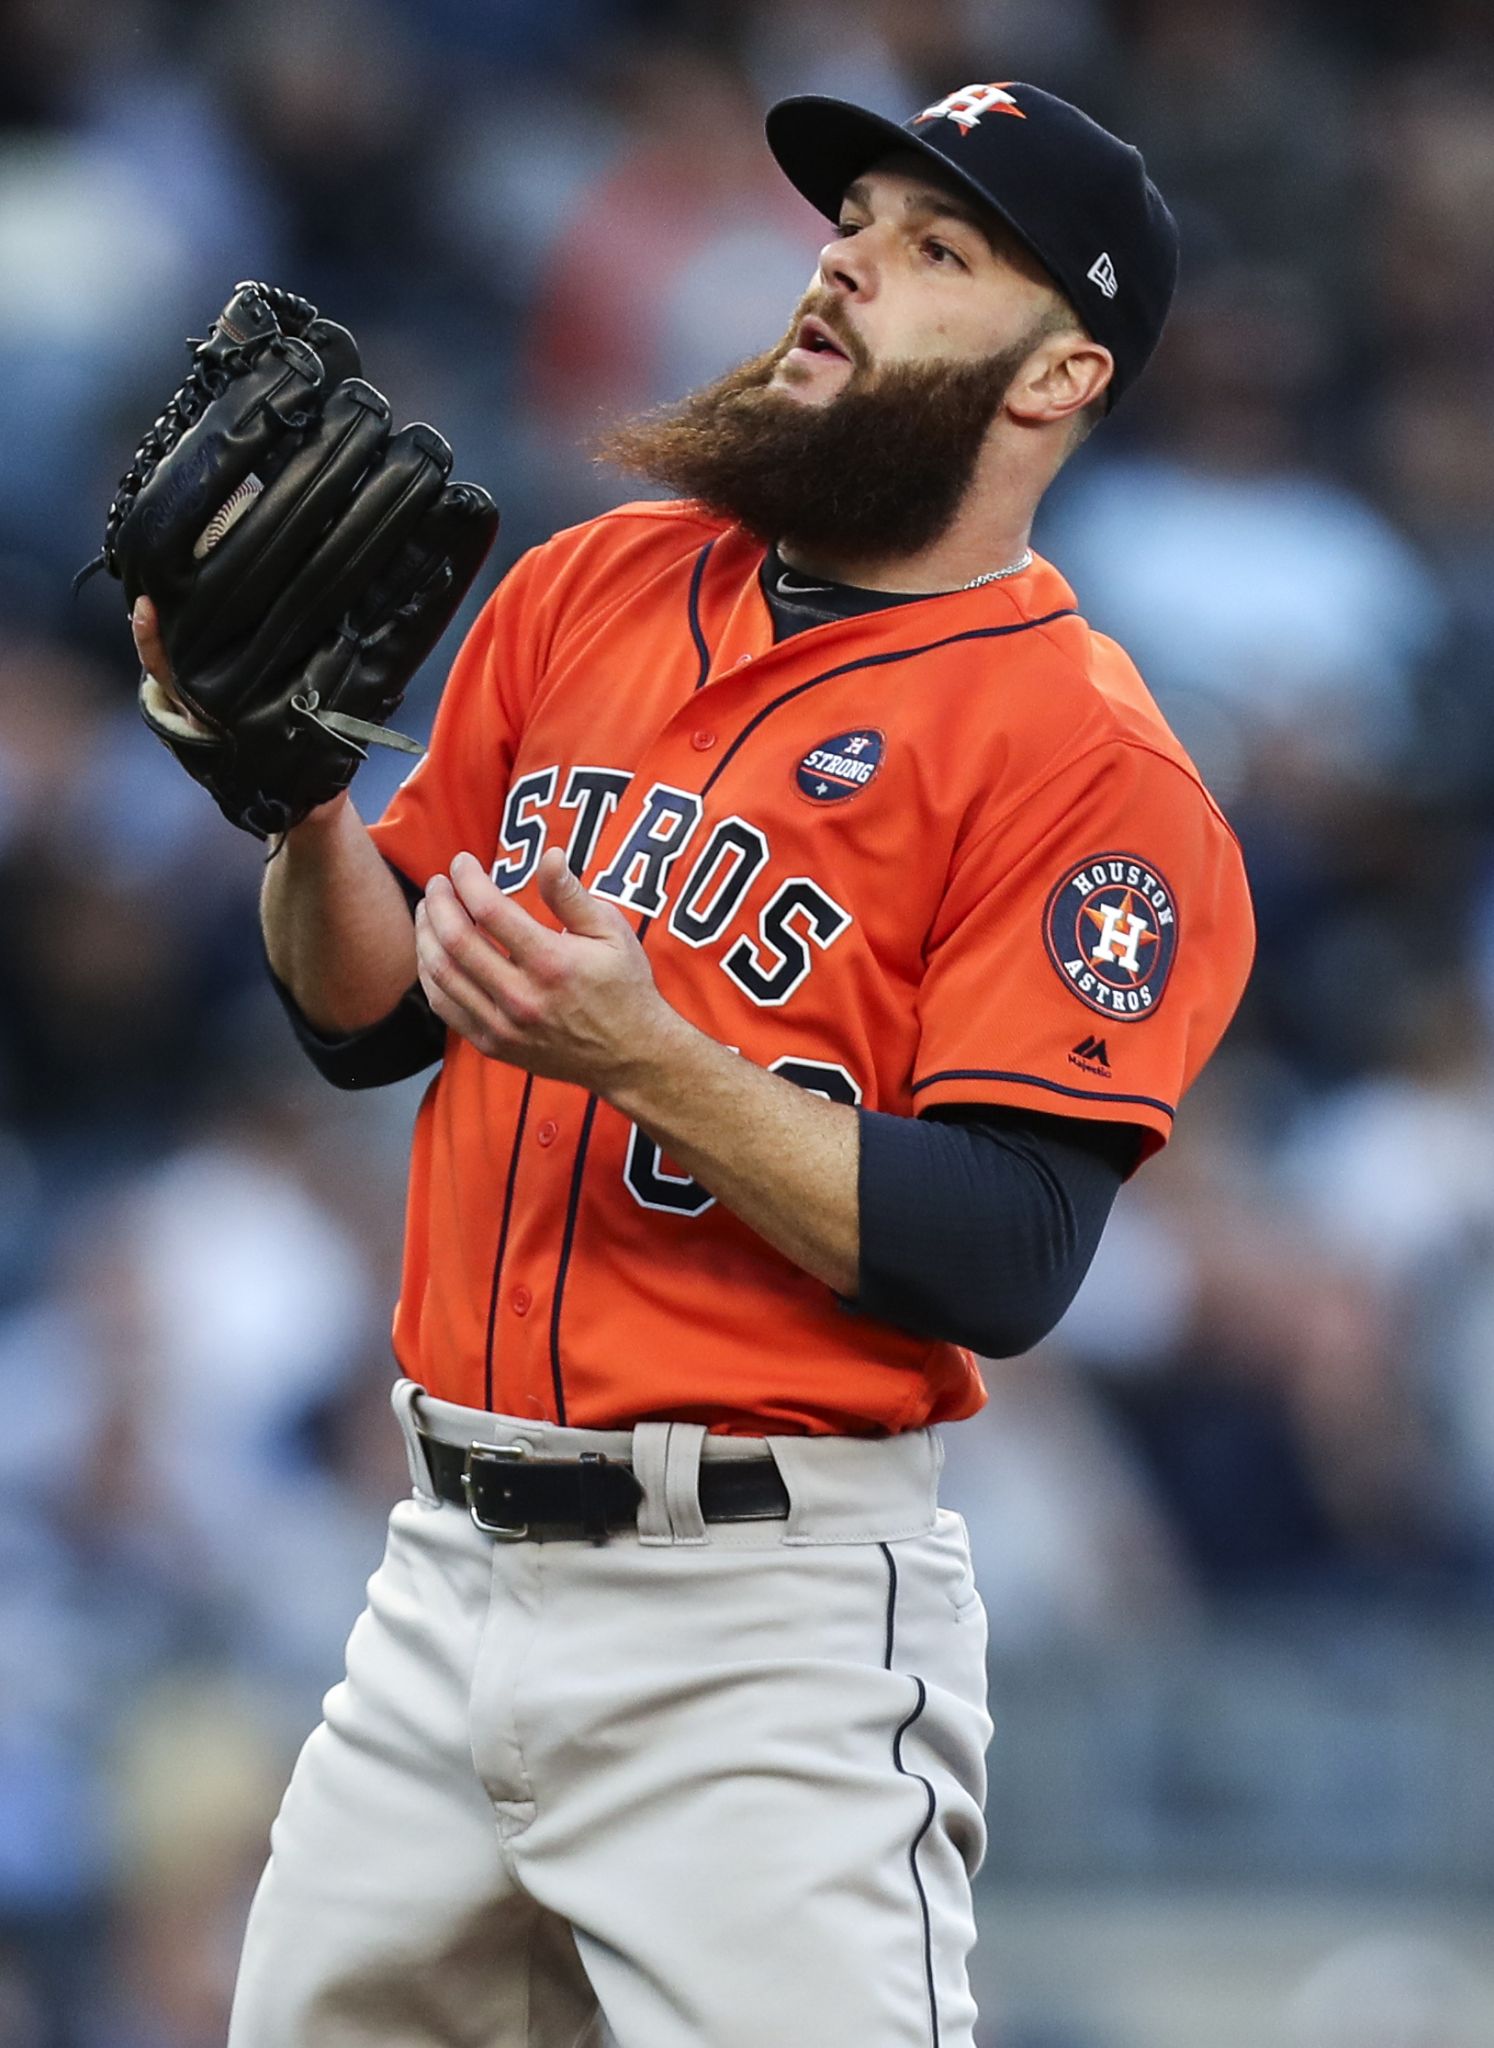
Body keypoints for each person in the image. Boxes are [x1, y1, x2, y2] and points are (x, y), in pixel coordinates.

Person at [133, 77, 1253, 2048]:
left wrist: (643, 1055)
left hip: (766, 1630)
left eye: (936, 250)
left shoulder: (1088, 766)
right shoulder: (594, 586)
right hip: (440, 1577)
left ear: (1058, 372)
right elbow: (362, 1013)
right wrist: (300, 811)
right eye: (857, 220)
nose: (845, 262)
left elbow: (1001, 1249)